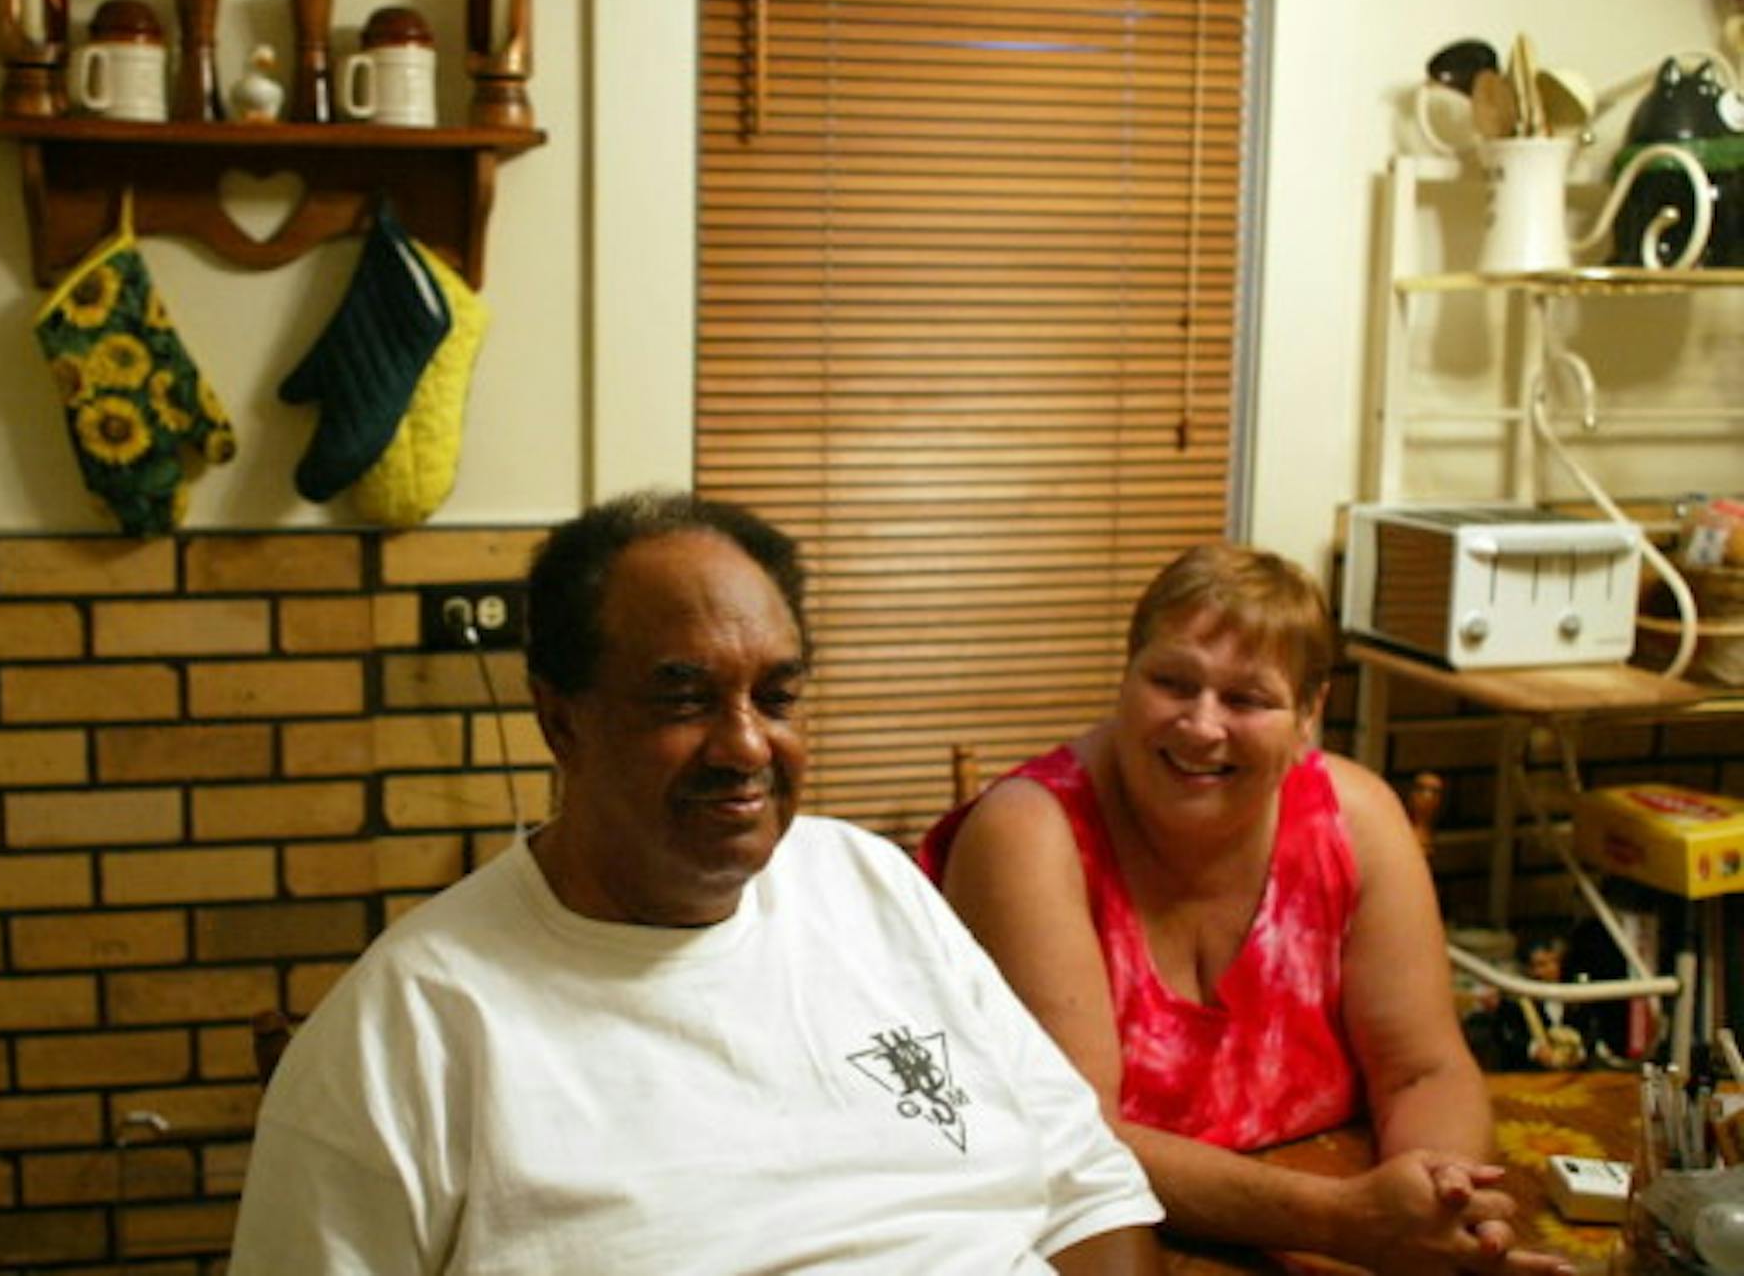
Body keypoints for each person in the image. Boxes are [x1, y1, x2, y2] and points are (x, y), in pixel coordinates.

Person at [230, 489, 1165, 1275]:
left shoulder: (874, 887)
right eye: (685, 698)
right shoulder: (415, 1024)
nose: (748, 744)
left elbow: (1088, 1189)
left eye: (777, 695)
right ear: (561, 721)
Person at [918, 542, 1573, 1276]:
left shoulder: (1358, 820)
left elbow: (1423, 1069)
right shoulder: (1029, 832)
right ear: (1126, 679)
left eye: (1247, 699)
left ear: (1308, 716)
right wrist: (1347, 1219)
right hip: (1102, 1235)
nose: (1201, 726)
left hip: (1325, 1217)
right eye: (1171, 682)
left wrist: (1438, 1200)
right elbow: (1074, 1140)